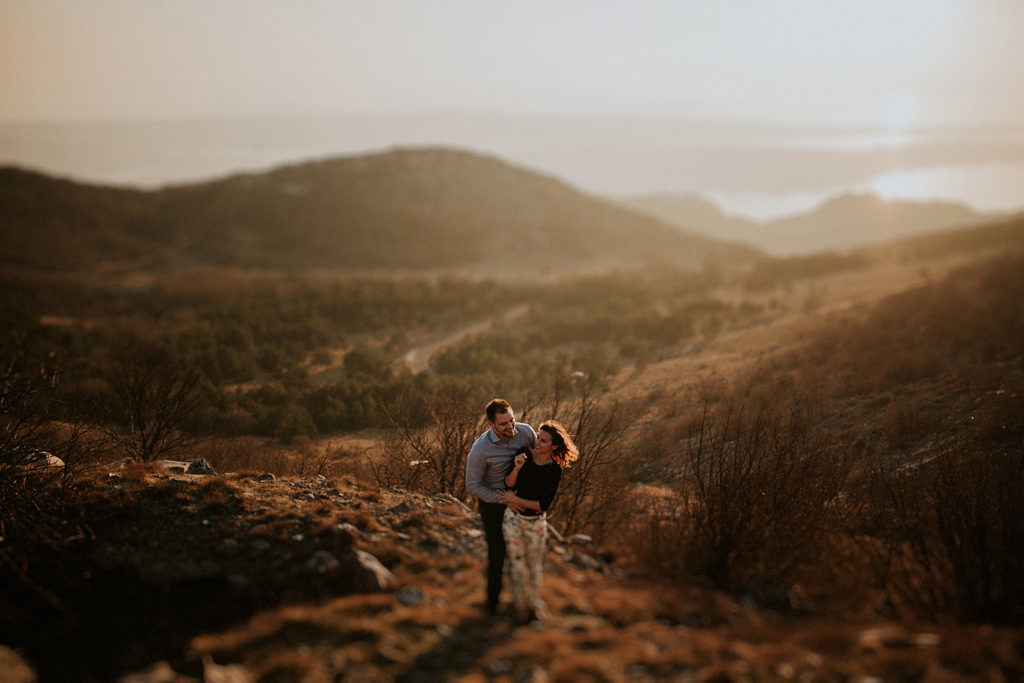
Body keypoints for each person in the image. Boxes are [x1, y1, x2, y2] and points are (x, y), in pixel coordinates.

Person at [499, 420, 579, 625]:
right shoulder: (524, 455)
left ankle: (533, 604)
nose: (538, 442)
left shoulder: (554, 470)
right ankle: (520, 607)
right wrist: (516, 468)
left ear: (553, 446)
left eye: (543, 441)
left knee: (533, 567)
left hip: (535, 523)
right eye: (537, 437)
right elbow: (508, 483)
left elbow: (542, 505)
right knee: (517, 566)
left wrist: (515, 500)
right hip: (513, 521)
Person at [465, 398, 536, 616]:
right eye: (503, 424)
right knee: (497, 554)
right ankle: (492, 605)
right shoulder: (480, 450)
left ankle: (525, 604)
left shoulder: (526, 433)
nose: (510, 427)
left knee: (525, 553)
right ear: (490, 424)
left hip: (521, 501)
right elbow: (472, 485)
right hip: (494, 505)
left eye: (512, 420)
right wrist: (503, 498)